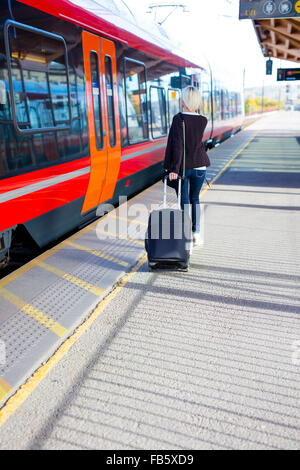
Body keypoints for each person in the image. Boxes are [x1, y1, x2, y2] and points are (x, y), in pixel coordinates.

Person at [164, 86, 210, 246]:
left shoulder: (179, 119)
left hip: (183, 168)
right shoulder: (203, 120)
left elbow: (178, 145)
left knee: (184, 200)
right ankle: (196, 233)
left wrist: (173, 169)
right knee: (195, 198)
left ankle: (185, 234)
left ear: (184, 101)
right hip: (200, 166)